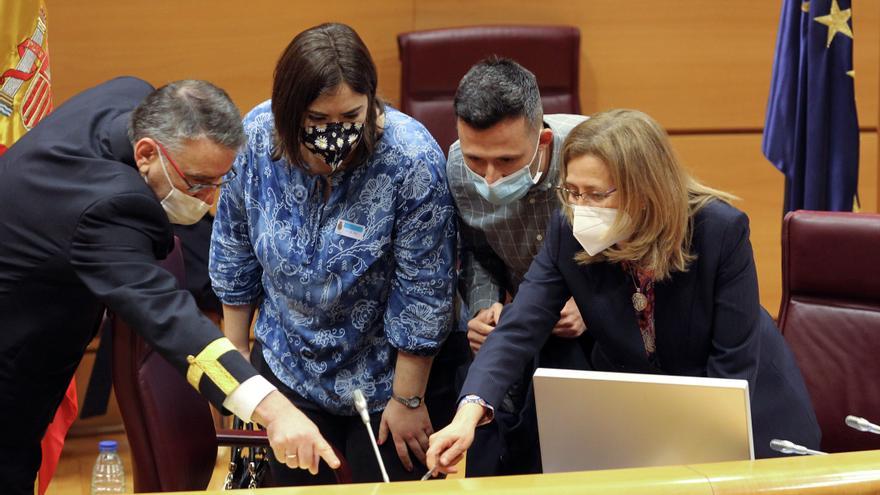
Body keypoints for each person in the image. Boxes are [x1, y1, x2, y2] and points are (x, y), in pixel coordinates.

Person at [427, 109, 821, 474]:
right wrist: (469, 412)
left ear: (646, 191)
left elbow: (731, 368)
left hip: (748, 415)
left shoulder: (719, 232)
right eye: (572, 192)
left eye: (596, 194)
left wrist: (694, 455)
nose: (581, 207)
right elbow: (519, 327)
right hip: (648, 418)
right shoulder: (567, 230)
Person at [0, 77, 340, 495]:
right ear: (146, 153)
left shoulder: (131, 97)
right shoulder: (105, 210)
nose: (211, 199)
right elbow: (173, 321)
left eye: (220, 181)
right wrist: (274, 410)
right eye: (198, 183)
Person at [209, 23, 457, 485]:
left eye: (350, 116)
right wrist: (240, 374)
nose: (334, 133)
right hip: (286, 367)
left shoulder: (410, 158)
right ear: (289, 109)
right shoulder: (259, 137)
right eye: (317, 120)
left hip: (387, 378)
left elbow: (425, 290)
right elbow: (233, 249)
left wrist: (407, 400)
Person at [445, 57, 590, 475]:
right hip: (515, 329)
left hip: (590, 342)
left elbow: (639, 253)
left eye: (507, 162)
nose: (489, 178)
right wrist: (483, 307)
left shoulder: (592, 155)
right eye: (477, 160)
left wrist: (591, 304)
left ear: (543, 141)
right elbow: (475, 252)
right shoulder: (457, 166)